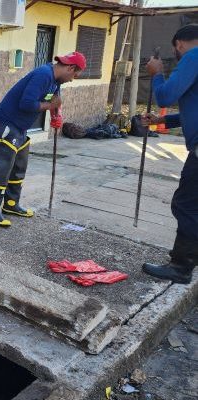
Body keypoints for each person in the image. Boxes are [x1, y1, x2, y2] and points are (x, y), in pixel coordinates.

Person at [0, 52, 85, 227]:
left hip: (20, 128)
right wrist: (50, 106)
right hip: (6, 124)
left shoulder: (56, 81)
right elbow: (27, 103)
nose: (73, 79)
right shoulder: (43, 75)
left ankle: (11, 205)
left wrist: (56, 114)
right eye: (75, 75)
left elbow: (55, 101)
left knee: (19, 167)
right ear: (70, 68)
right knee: (4, 168)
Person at [142, 24, 198, 284]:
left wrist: (156, 74)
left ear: (179, 44)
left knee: (186, 205)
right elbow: (189, 111)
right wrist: (159, 122)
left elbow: (165, 97)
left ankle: (181, 267)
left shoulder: (193, 56)